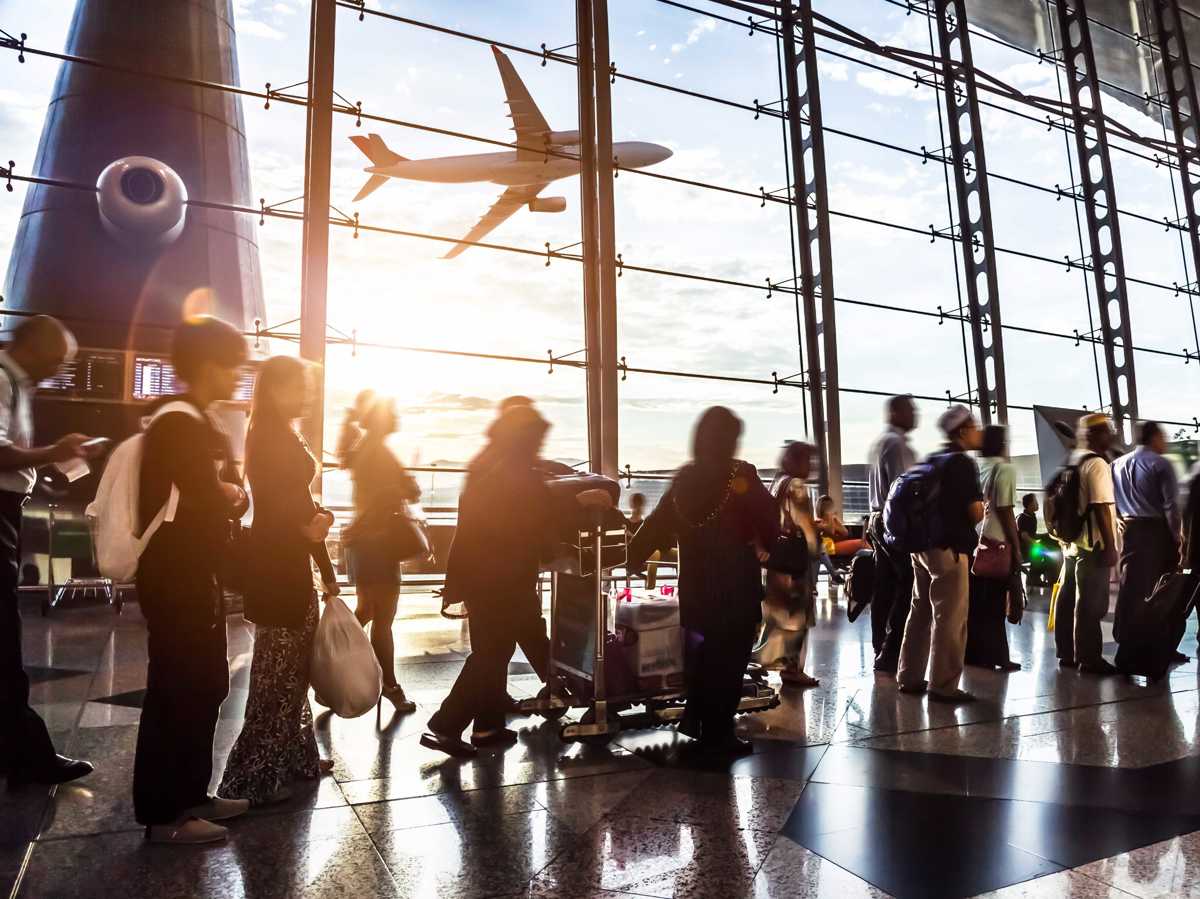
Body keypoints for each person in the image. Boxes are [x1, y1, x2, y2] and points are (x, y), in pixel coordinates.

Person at [133, 316, 251, 844]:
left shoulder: (193, 420)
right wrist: (231, 495)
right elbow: (208, 498)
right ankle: (165, 813)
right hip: (175, 575)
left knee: (206, 684)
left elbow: (221, 492)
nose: (237, 375)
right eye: (232, 365)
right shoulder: (178, 422)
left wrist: (230, 494)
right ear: (210, 365)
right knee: (177, 689)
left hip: (190, 573)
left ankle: (192, 795)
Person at [219, 357, 338, 806]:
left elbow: (298, 503)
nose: (307, 395)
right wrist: (310, 531)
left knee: (290, 670)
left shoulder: (279, 432)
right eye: (299, 387)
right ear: (275, 389)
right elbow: (277, 508)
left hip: (286, 563)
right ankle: (251, 777)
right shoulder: (269, 436)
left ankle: (295, 759)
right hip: (277, 566)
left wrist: (322, 556)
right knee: (277, 673)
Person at [629, 407, 778, 755]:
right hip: (734, 586)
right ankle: (719, 732)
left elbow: (655, 524)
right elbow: (769, 518)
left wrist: (633, 557)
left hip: (695, 586)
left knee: (701, 655)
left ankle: (695, 719)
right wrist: (768, 545)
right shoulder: (740, 475)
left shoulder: (685, 480)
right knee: (729, 659)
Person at [421, 404, 566, 757]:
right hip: (508, 579)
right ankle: (446, 724)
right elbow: (543, 535)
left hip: (480, 578)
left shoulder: (487, 468)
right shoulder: (524, 479)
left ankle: (487, 728)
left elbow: (468, 529)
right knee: (492, 654)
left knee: (495, 650)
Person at [0, 316, 99, 787]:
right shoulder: (1, 379)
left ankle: (19, 749)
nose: (59, 369)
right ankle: (26, 754)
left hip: (7, 509)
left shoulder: (17, 386)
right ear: (32, 346)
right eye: (56, 359)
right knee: (3, 634)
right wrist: (52, 452)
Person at [896, 405, 984, 703]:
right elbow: (973, 513)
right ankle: (943, 685)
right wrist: (982, 507)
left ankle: (908, 676)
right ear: (962, 431)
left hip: (921, 547)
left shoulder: (932, 459)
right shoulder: (961, 464)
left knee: (919, 611)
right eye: (975, 426)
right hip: (949, 548)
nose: (979, 432)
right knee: (950, 617)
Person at [343, 395, 419, 713]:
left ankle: (331, 670)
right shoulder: (378, 452)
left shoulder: (366, 450)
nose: (397, 416)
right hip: (377, 544)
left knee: (369, 611)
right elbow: (393, 495)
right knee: (382, 617)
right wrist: (403, 486)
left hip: (366, 543)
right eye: (392, 411)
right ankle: (388, 685)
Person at [1112, 422, 1182, 656]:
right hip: (1156, 532)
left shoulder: (1116, 464)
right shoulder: (1161, 464)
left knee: (1130, 587)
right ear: (1154, 438)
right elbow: (1171, 506)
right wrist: (1177, 538)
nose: (1165, 442)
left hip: (1130, 531)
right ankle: (1159, 646)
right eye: (1163, 437)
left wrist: (1120, 518)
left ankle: (1127, 641)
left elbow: (1112, 501)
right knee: (1162, 591)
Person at [755, 442, 819, 688]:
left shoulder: (777, 482)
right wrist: (815, 547)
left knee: (776, 617)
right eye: (807, 461)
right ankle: (792, 670)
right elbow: (805, 526)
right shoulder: (796, 485)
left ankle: (767, 664)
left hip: (777, 561)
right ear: (795, 461)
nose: (810, 466)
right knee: (796, 617)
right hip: (792, 562)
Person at [1061, 413, 1120, 675]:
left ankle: (1067, 652)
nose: (1112, 435)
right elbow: (1101, 507)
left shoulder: (1074, 460)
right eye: (1108, 431)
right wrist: (1110, 545)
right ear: (1095, 434)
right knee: (1091, 604)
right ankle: (1089, 658)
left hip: (1073, 543)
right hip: (1092, 544)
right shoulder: (1096, 464)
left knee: (1070, 598)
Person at [867, 395, 918, 674]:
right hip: (894, 520)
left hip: (876, 517)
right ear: (896, 412)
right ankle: (892, 650)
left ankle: (880, 647)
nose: (915, 414)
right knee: (907, 586)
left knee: (883, 587)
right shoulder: (897, 444)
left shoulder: (880, 442)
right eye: (911, 410)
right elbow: (904, 489)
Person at [965, 425, 1021, 672]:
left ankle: (974, 653)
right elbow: (1006, 510)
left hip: (976, 541)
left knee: (977, 603)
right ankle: (998, 655)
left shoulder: (977, 467)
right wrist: (1016, 546)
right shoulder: (1004, 468)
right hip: (997, 542)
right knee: (997, 602)